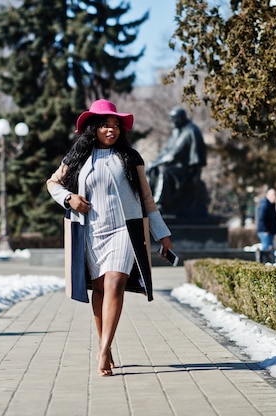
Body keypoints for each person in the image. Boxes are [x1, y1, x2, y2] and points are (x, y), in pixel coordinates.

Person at [46, 99, 174, 377]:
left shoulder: (130, 157)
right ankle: (106, 344)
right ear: (94, 128)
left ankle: (103, 350)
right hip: (91, 231)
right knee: (100, 290)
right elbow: (52, 183)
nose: (111, 130)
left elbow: (147, 200)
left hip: (123, 231)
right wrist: (69, 198)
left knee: (115, 283)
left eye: (115, 125)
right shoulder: (78, 157)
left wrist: (162, 234)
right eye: (105, 125)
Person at [146, 107, 208, 218]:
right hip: (177, 168)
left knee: (164, 171)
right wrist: (154, 163)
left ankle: (158, 203)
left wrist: (156, 163)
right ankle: (147, 202)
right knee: (153, 170)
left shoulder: (191, 131)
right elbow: (166, 150)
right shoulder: (177, 131)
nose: (172, 122)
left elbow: (174, 155)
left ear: (180, 118)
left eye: (173, 119)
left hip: (187, 171)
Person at [257, 188, 276, 263]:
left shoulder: (272, 205)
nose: (274, 197)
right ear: (268, 196)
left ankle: (271, 263)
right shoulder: (264, 204)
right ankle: (264, 264)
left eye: (275, 196)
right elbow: (261, 218)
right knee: (266, 249)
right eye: (273, 195)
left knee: (271, 249)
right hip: (265, 232)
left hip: (270, 231)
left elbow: (275, 219)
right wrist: (265, 230)